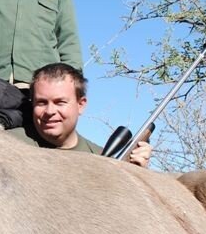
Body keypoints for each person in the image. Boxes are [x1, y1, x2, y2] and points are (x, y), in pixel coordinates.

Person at [10, 63, 152, 167]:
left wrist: (136, 172)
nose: (49, 111)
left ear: (81, 105)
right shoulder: (9, 143)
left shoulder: (102, 158)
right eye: (41, 102)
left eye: (60, 102)